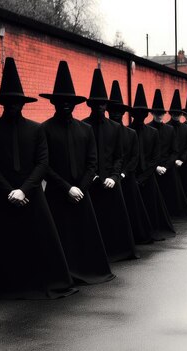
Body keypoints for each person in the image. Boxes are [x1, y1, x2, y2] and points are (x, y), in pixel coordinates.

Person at [0, 58, 77, 300]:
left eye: (16, 102)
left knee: (40, 243)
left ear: (22, 103)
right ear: (2, 102)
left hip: (31, 194)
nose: (13, 106)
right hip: (3, 195)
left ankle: (37, 282)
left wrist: (24, 190)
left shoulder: (36, 129)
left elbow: (42, 163)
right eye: (8, 102)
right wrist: (9, 191)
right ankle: (2, 285)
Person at [40, 61, 115, 285]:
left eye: (69, 102)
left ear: (75, 105)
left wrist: (80, 188)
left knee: (83, 235)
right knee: (56, 236)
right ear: (54, 103)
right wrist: (67, 188)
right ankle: (59, 273)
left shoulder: (85, 129)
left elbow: (92, 163)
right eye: (61, 101)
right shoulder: (44, 129)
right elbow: (44, 164)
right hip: (56, 193)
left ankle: (84, 270)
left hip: (81, 192)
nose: (65, 105)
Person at [83, 69, 138, 262]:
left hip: (110, 181)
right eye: (96, 104)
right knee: (91, 220)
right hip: (90, 182)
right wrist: (91, 176)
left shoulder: (115, 129)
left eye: (102, 104)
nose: (99, 108)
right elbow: (82, 158)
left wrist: (115, 177)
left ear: (106, 106)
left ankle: (115, 252)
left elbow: (119, 157)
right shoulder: (83, 126)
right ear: (90, 105)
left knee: (113, 219)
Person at [107, 80, 155, 245]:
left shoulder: (130, 133)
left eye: (119, 112)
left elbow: (134, 156)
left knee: (132, 210)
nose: (116, 115)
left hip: (127, 177)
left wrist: (123, 173)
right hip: (111, 177)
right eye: (113, 111)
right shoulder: (105, 132)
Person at [129, 84, 175, 237]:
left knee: (150, 205)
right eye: (138, 113)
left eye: (144, 113)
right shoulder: (128, 131)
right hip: (131, 176)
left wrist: (144, 176)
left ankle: (150, 230)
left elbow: (155, 156)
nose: (141, 115)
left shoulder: (152, 132)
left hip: (148, 176)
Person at [148, 89, 187, 221]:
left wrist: (166, 166)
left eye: (161, 113)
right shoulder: (148, 128)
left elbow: (175, 150)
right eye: (157, 113)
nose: (159, 115)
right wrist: (156, 167)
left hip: (168, 166)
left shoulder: (169, 129)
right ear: (151, 113)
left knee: (172, 195)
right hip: (152, 168)